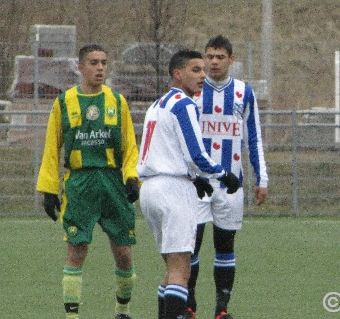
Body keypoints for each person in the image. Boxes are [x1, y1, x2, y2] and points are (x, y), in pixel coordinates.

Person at [37, 44, 140, 319]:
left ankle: (123, 311)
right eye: (94, 63)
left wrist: (132, 177)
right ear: (80, 67)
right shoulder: (64, 103)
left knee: (124, 252)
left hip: (112, 182)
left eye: (104, 63)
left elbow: (130, 145)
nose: (100, 68)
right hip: (80, 183)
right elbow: (52, 147)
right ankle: (72, 316)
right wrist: (49, 189)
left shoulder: (117, 102)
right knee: (76, 250)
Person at [136, 49, 240, 319]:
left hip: (149, 190)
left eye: (204, 70)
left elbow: (164, 149)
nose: (203, 75)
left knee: (172, 268)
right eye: (196, 70)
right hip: (172, 190)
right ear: (177, 74)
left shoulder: (158, 104)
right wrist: (222, 174)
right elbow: (196, 154)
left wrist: (196, 180)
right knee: (182, 270)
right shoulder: (184, 104)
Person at [185, 35, 268, 319]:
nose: (214, 62)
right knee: (191, 245)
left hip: (230, 185)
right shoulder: (193, 92)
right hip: (197, 184)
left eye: (220, 57)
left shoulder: (244, 92)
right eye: (209, 57)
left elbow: (253, 138)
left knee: (225, 245)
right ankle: (189, 303)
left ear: (231, 60)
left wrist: (262, 178)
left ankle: (221, 309)